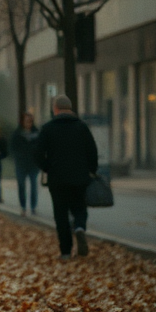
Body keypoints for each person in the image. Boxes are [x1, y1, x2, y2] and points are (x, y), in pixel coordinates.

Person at [34, 94, 98, 260]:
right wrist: (91, 170)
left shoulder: (47, 128)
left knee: (60, 213)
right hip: (79, 176)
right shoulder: (81, 127)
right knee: (79, 206)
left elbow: (38, 154)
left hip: (57, 179)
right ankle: (79, 227)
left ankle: (65, 251)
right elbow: (92, 151)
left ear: (55, 109)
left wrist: (48, 168)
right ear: (70, 108)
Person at [10, 111, 41, 215]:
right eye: (26, 121)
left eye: (30, 121)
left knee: (33, 186)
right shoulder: (17, 134)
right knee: (21, 185)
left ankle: (33, 207)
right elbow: (13, 148)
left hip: (33, 164)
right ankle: (23, 206)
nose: (28, 123)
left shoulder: (36, 133)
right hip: (21, 164)